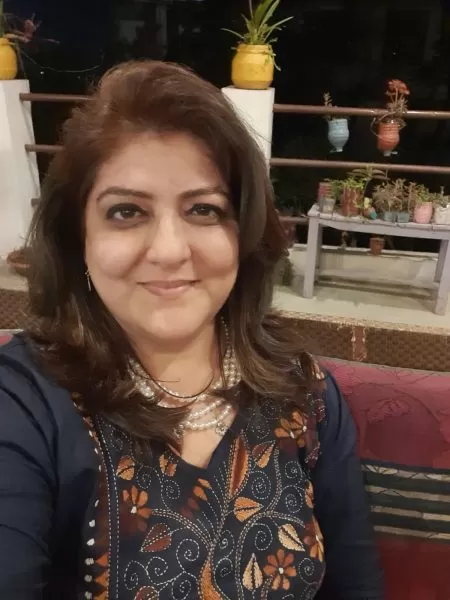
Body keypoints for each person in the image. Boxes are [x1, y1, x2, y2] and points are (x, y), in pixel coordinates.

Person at [0, 61, 383, 600]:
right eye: (126, 211)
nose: (169, 250)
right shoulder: (24, 402)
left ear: (244, 234)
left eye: (204, 209)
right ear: (77, 238)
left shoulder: (304, 392)